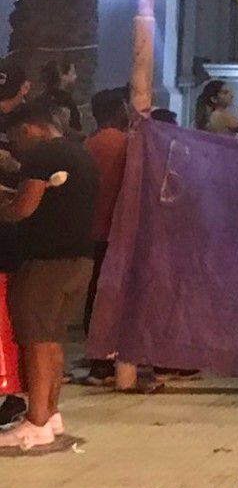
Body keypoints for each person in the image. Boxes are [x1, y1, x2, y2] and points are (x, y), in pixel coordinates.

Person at [0, 98, 100, 448]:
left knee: (36, 341)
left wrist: (4, 206)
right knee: (53, 339)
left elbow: (24, 208)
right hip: (79, 260)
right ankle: (51, 414)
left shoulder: (44, 155)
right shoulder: (80, 153)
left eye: (15, 139)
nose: (15, 148)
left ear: (29, 129)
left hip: (46, 263)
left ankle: (35, 421)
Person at [79, 89, 152, 393]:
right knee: (114, 296)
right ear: (118, 110)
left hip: (92, 230)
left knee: (95, 294)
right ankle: (109, 360)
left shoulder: (89, 145)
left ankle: (98, 360)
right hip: (116, 231)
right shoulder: (124, 145)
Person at [40, 60, 81, 134]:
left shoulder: (40, 98)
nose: (76, 77)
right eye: (73, 73)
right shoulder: (67, 99)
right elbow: (76, 126)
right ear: (62, 76)